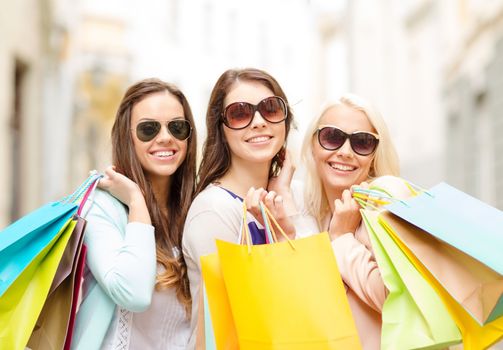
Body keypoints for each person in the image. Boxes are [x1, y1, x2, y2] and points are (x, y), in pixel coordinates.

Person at [72, 78, 197, 349]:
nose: (165, 137)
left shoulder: (195, 210)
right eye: (148, 129)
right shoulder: (101, 207)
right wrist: (137, 202)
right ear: (127, 137)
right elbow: (133, 293)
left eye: (177, 127)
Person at [181, 67, 297, 348]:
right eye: (240, 113)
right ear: (221, 128)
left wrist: (283, 195)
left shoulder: (288, 196)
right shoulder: (214, 210)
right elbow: (232, 322)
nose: (258, 122)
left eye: (270, 109)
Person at [299, 94, 400, 349]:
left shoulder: (385, 205)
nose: (345, 152)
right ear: (313, 144)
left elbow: (398, 300)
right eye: (332, 137)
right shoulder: (314, 214)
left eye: (362, 142)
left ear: (375, 154)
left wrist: (343, 238)